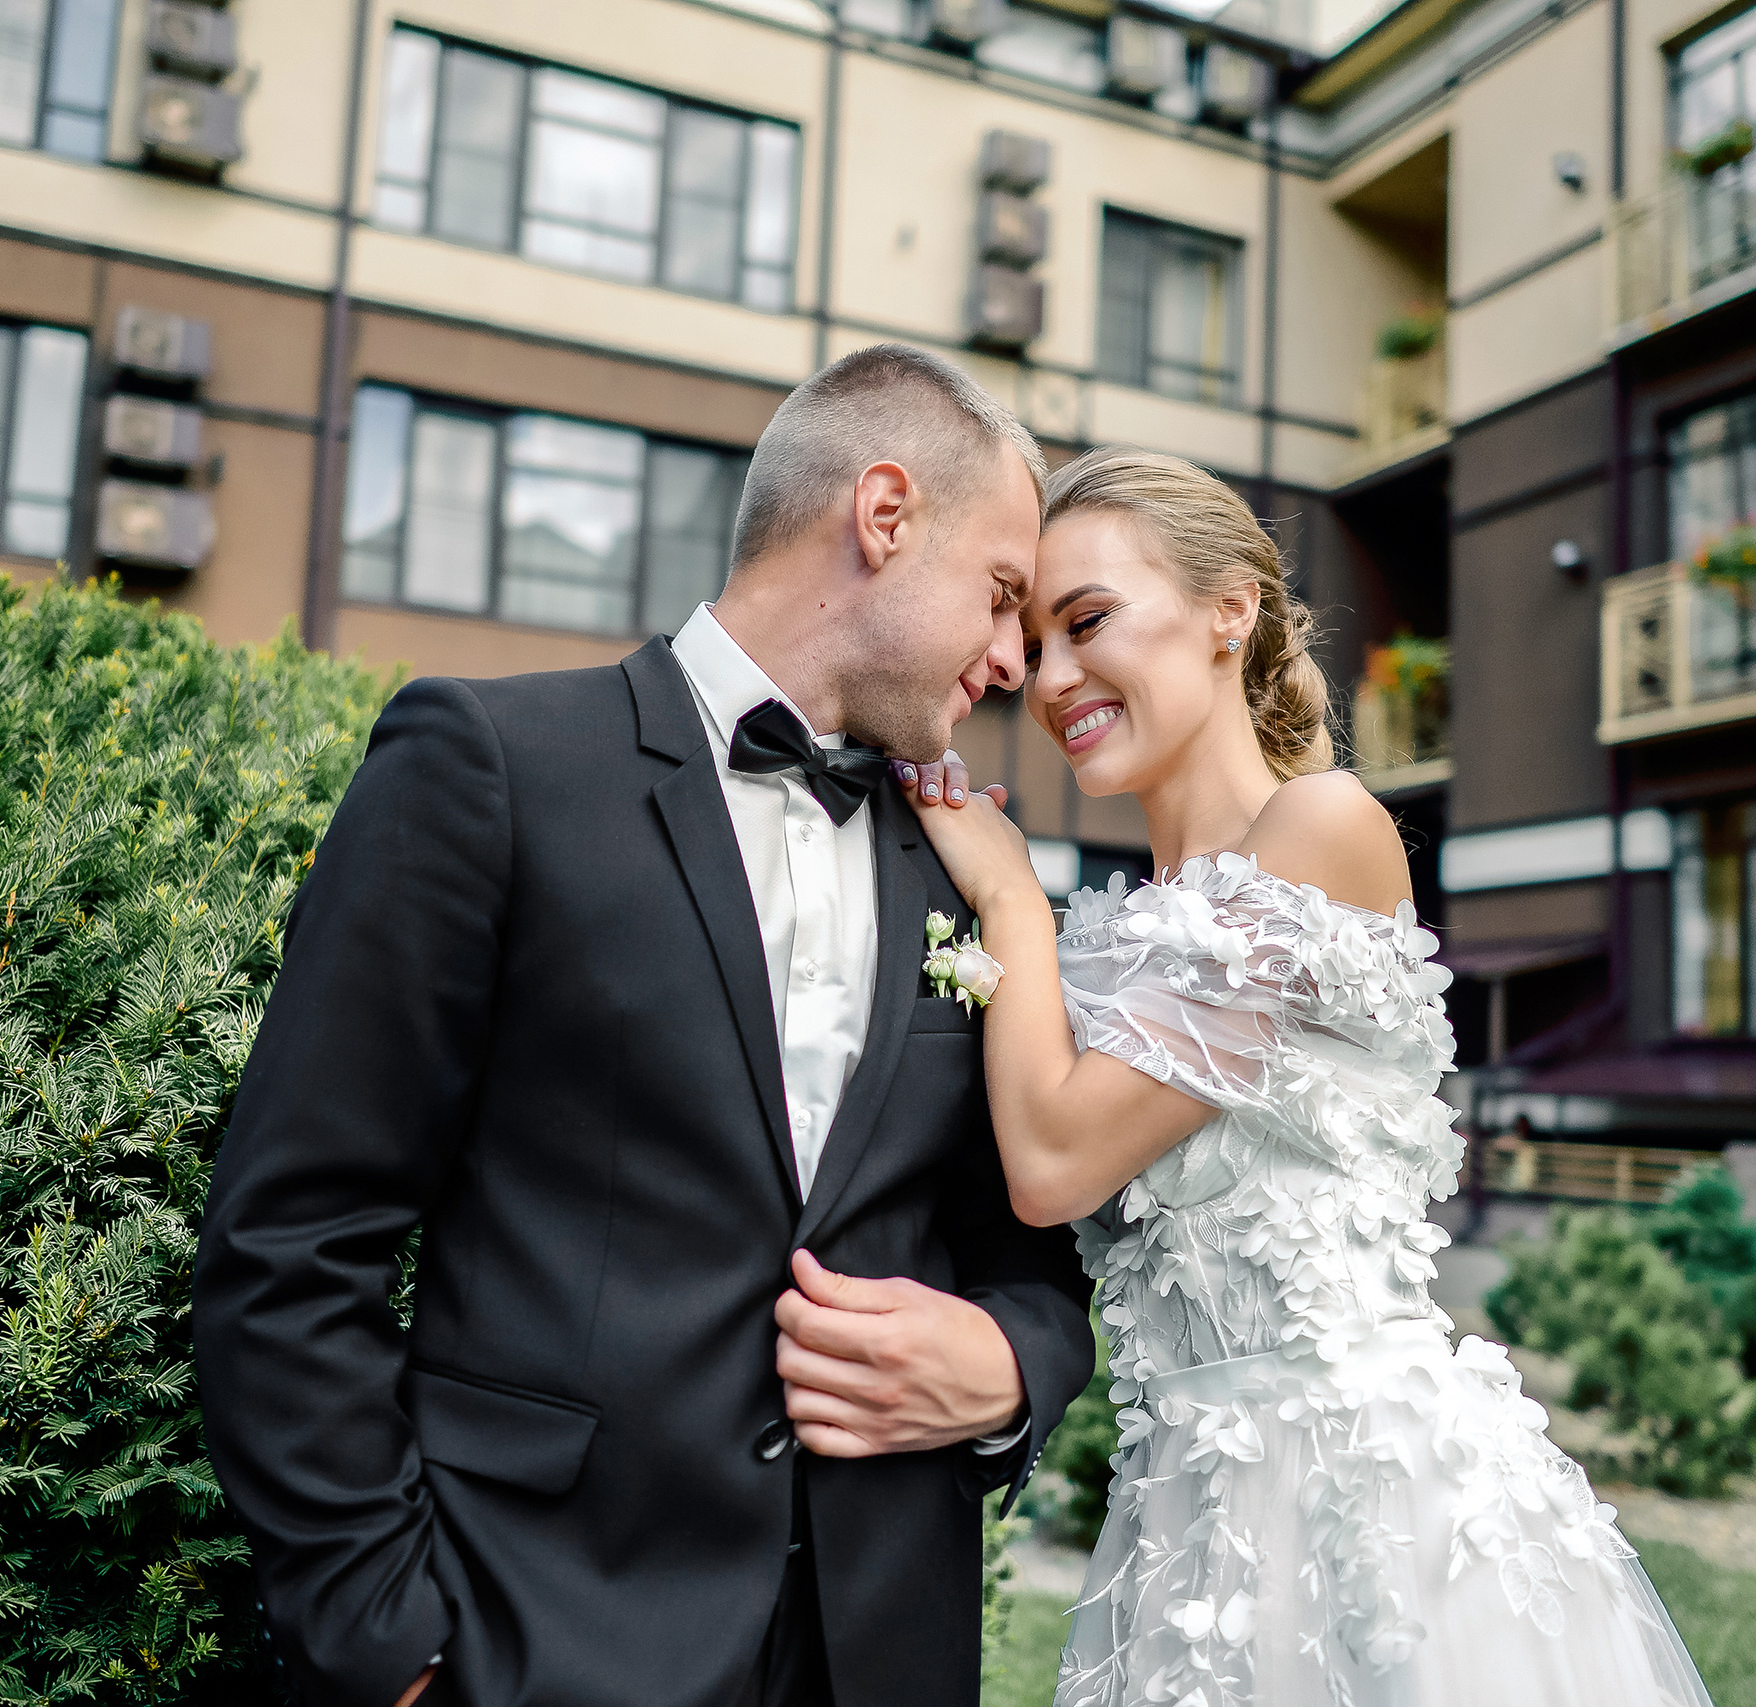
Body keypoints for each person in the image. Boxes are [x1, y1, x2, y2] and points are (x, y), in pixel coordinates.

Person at [193, 344, 1097, 1707]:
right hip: (540, 1640)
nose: (1017, 657)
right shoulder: (491, 766)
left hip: (881, 1652)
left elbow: (1036, 1251)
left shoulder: (971, 865)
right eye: (1005, 594)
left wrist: (1012, 1368)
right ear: (886, 512)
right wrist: (393, 1646)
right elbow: (293, 1239)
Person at [903, 448, 1715, 1707]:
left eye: (1089, 622)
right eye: (1031, 639)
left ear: (1231, 610)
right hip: (1182, 1508)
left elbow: (1056, 1162)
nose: (1051, 679)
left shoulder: (1320, 829)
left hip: (1366, 1501)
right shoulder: (1099, 940)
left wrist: (1005, 893)